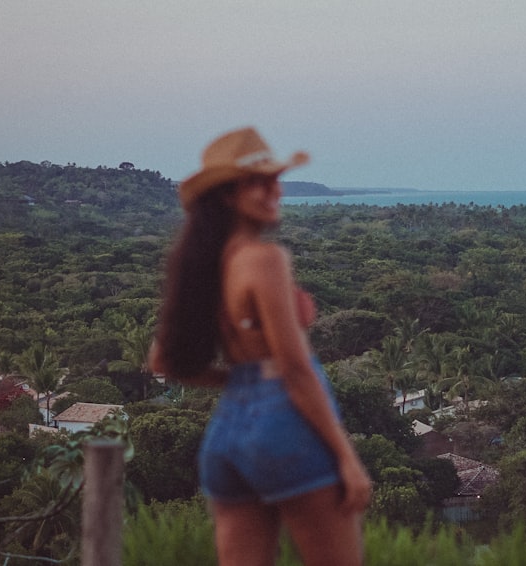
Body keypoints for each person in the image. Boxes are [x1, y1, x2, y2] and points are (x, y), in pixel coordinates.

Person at [148, 127, 371, 566]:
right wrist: (347, 457)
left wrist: (241, 381)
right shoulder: (264, 259)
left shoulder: (203, 268)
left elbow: (163, 360)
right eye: (259, 181)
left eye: (275, 179)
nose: (275, 190)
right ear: (228, 195)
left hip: (227, 436)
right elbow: (294, 367)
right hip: (283, 427)